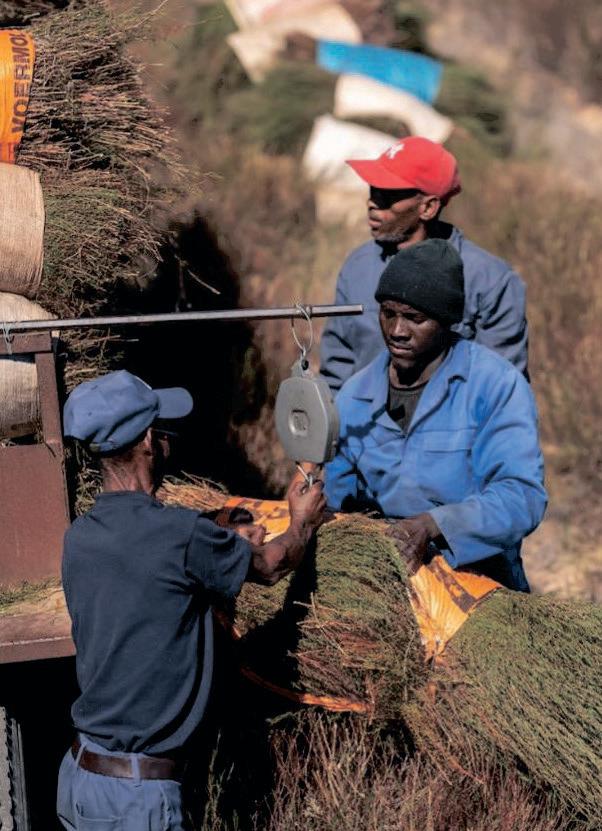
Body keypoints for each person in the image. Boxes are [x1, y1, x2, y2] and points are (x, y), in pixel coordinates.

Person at [57, 370, 325, 830]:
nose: (165, 439)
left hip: (81, 779)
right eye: (160, 430)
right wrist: (302, 522)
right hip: (139, 801)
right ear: (147, 440)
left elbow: (149, 570)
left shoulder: (80, 537)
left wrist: (220, 538)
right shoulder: (179, 535)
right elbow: (273, 565)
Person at [324, 239, 546, 591]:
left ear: (446, 322)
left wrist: (434, 525)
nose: (397, 331)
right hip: (384, 577)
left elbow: (522, 497)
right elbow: (336, 495)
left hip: (479, 578)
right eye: (388, 313)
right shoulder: (355, 394)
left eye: (415, 319)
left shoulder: (495, 385)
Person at [319, 136, 529, 392]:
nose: (372, 203)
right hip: (367, 428)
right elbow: (337, 368)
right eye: (373, 190)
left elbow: (501, 389)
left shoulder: (490, 280)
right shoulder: (358, 267)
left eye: (387, 196)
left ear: (428, 207)